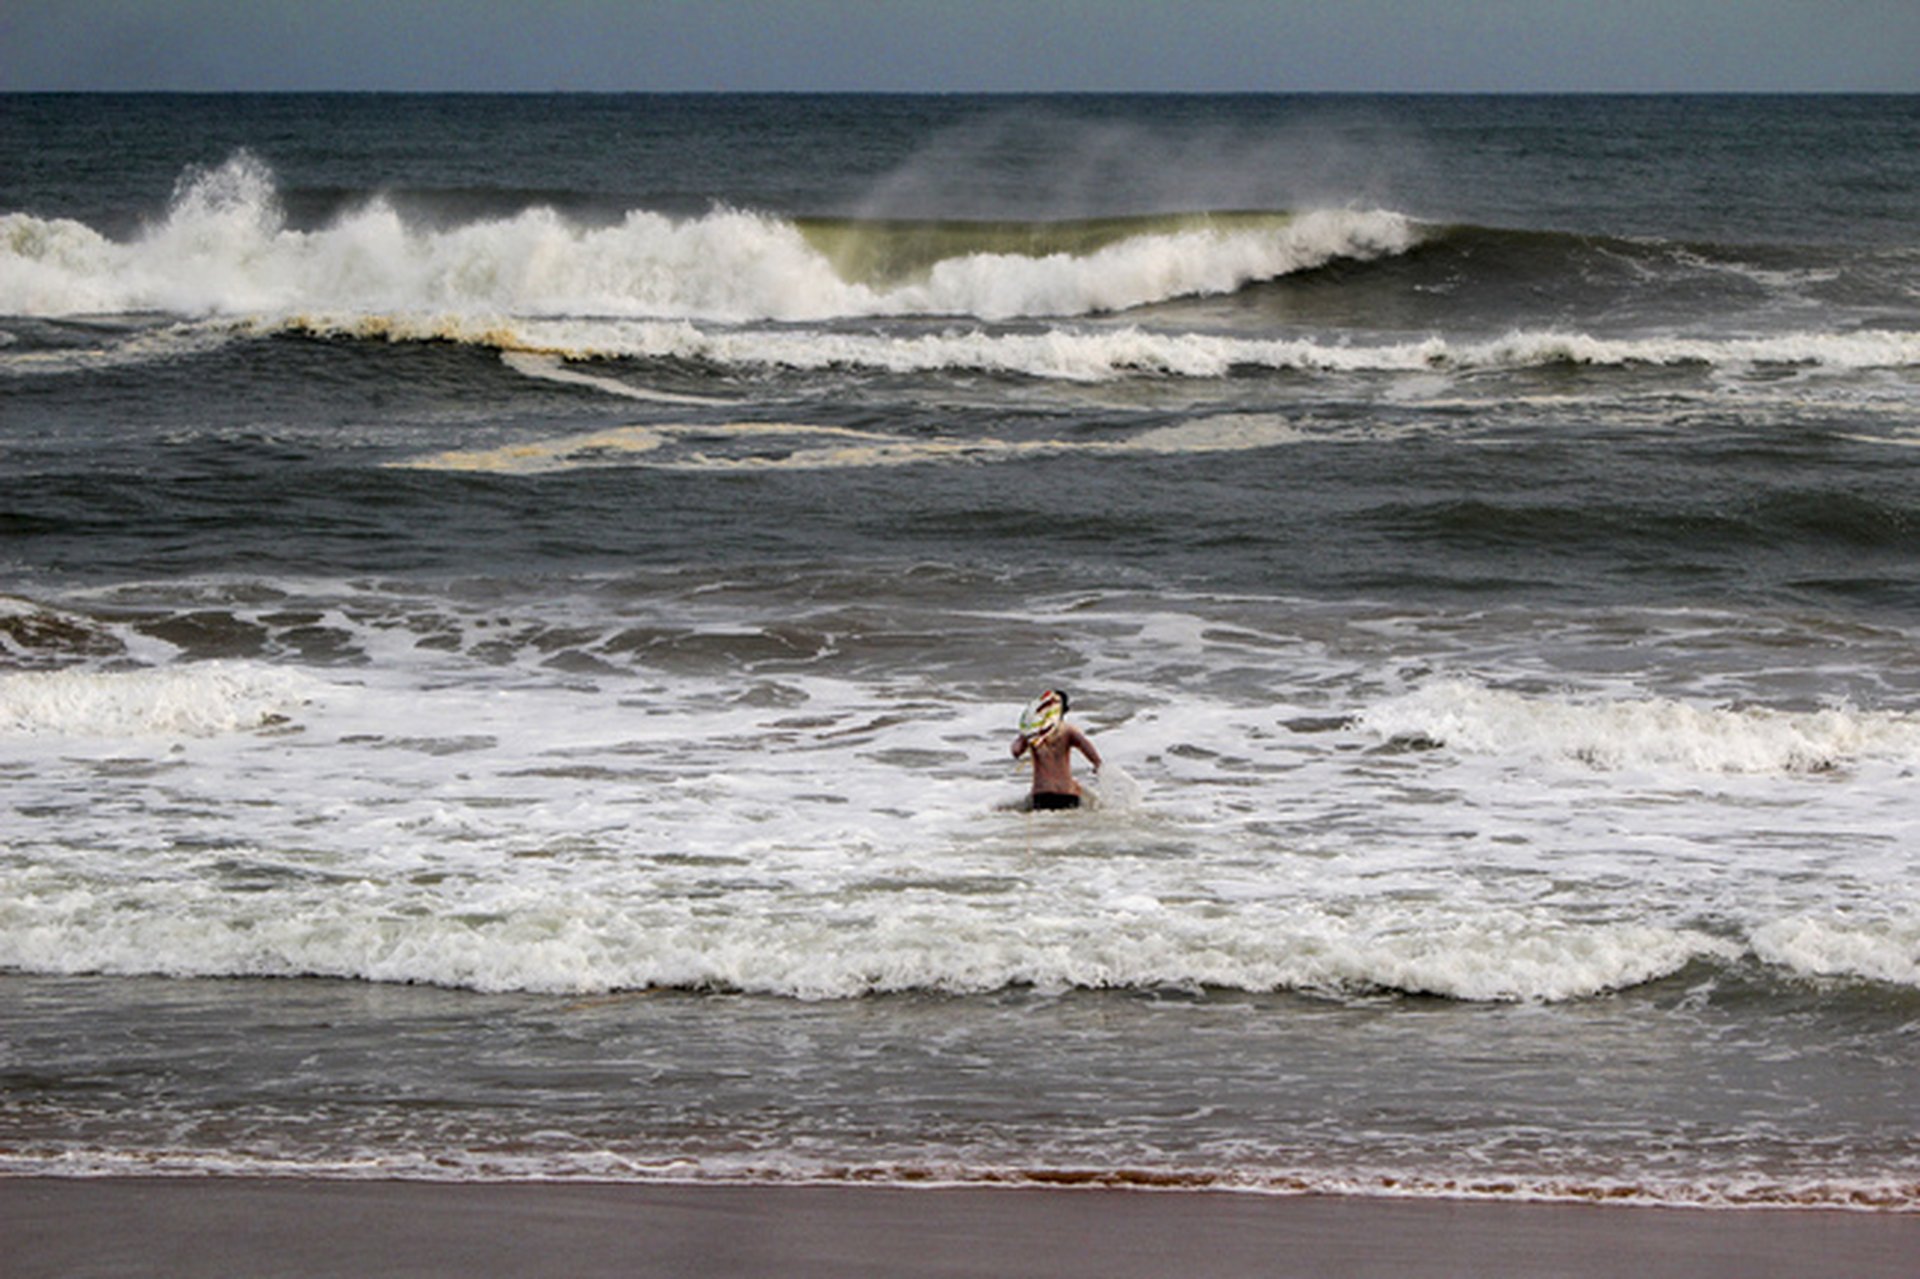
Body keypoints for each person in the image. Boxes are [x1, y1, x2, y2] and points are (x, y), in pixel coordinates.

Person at [1010, 688, 1101, 810]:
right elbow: (1089, 751)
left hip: (1042, 794)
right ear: (1066, 710)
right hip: (1067, 794)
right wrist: (1097, 766)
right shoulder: (1069, 731)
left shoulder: (1033, 733)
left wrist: (1025, 735)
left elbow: (1016, 751)